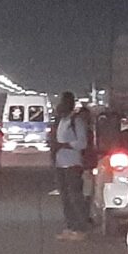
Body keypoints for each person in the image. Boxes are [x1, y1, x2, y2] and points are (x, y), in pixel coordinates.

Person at [50, 91, 94, 236]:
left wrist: (64, 145)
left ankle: (81, 228)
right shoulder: (61, 121)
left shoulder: (76, 121)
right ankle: (70, 227)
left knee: (75, 196)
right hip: (60, 164)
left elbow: (82, 143)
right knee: (65, 198)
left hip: (73, 164)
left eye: (63, 102)